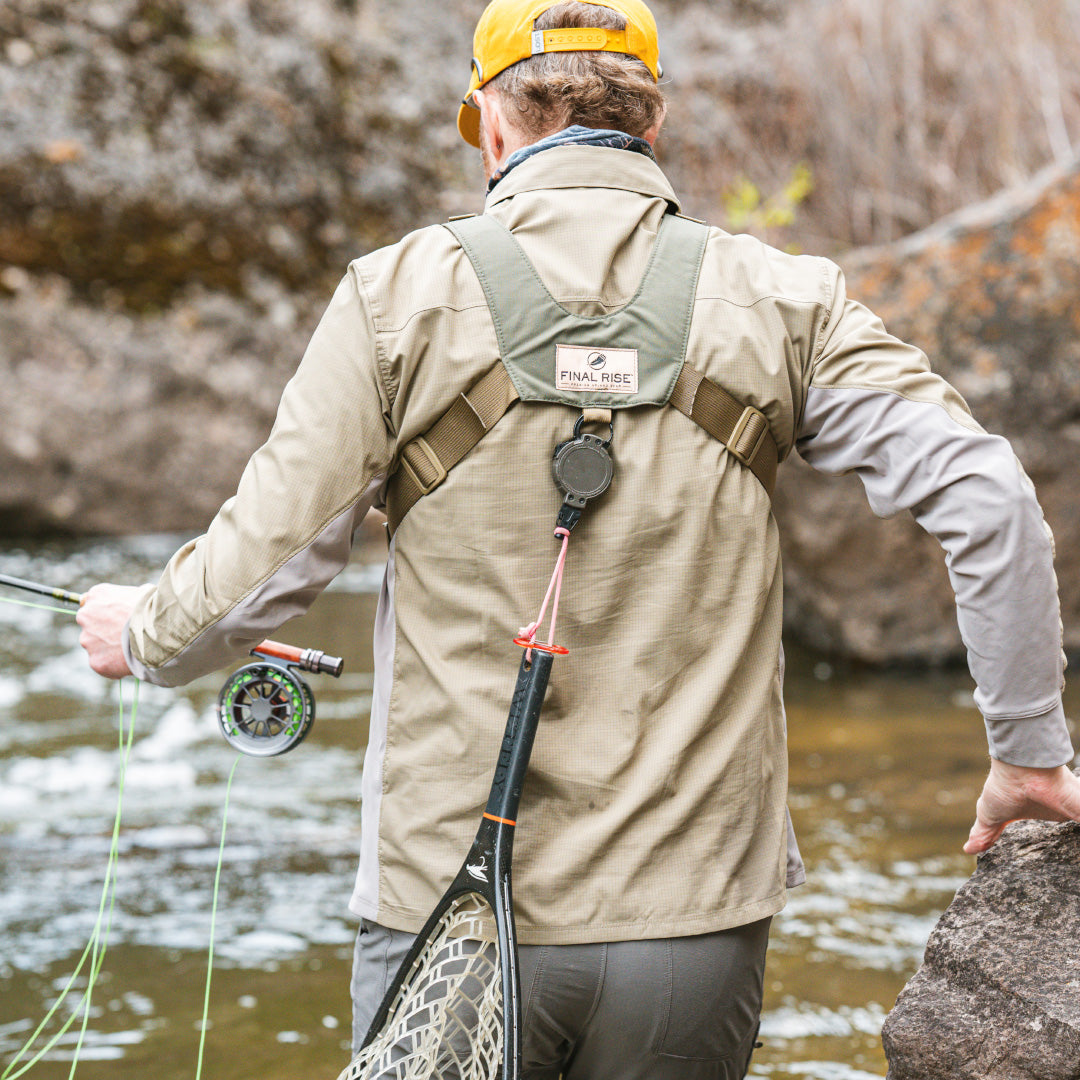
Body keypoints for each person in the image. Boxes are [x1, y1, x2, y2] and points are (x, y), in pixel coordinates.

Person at [77, 0, 1080, 1076]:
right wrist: (1027, 750)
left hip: (446, 929)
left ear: (491, 123)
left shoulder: (396, 295)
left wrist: (143, 634)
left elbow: (256, 576)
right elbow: (988, 497)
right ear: (651, 122)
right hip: (692, 930)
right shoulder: (785, 298)